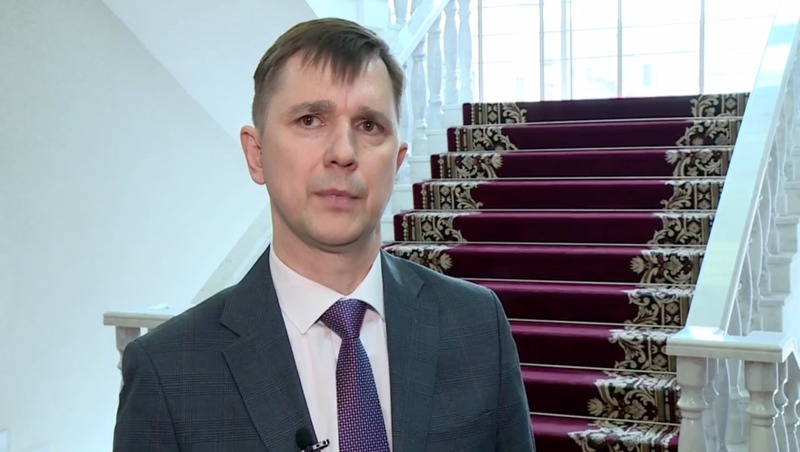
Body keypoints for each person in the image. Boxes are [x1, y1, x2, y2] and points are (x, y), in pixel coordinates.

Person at [113, 17, 535, 452]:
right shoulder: (169, 371)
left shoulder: (476, 325)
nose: (343, 153)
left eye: (369, 125)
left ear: (397, 161)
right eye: (310, 120)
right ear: (256, 155)